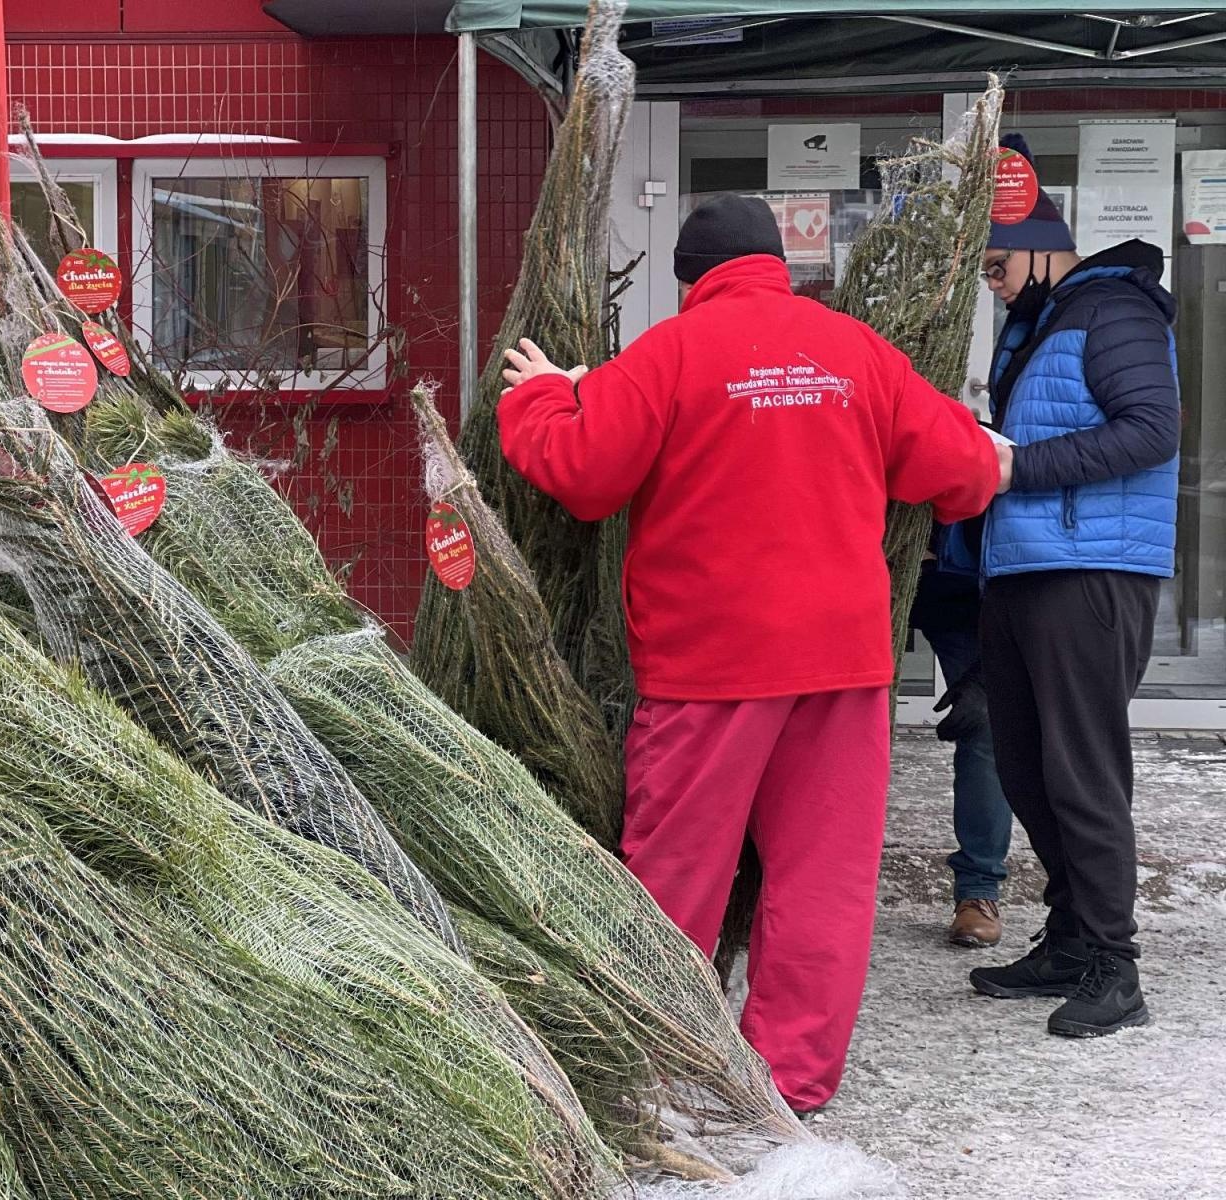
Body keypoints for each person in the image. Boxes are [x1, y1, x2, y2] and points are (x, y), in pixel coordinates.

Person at [496, 192, 1004, 1111]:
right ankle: (791, 1087)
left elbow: (580, 472)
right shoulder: (856, 353)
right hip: (844, 670)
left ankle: (656, 1069)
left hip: (709, 671)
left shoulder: (670, 354)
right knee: (823, 885)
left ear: (690, 282)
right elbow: (962, 474)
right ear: (781, 266)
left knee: (673, 885)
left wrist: (541, 394)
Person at [967, 135, 1181, 1038]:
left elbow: (1153, 430)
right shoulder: (1045, 323)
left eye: (997, 262)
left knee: (1083, 773)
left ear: (1047, 242)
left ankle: (1113, 965)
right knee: (1023, 765)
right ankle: (1068, 933)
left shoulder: (1113, 312)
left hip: (1091, 573)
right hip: (1024, 569)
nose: (993, 282)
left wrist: (1016, 467)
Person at [909, 516, 1014, 948]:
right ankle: (805, 889)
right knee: (829, 725)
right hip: (868, 565)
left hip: (974, 582)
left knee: (990, 726)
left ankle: (978, 893)